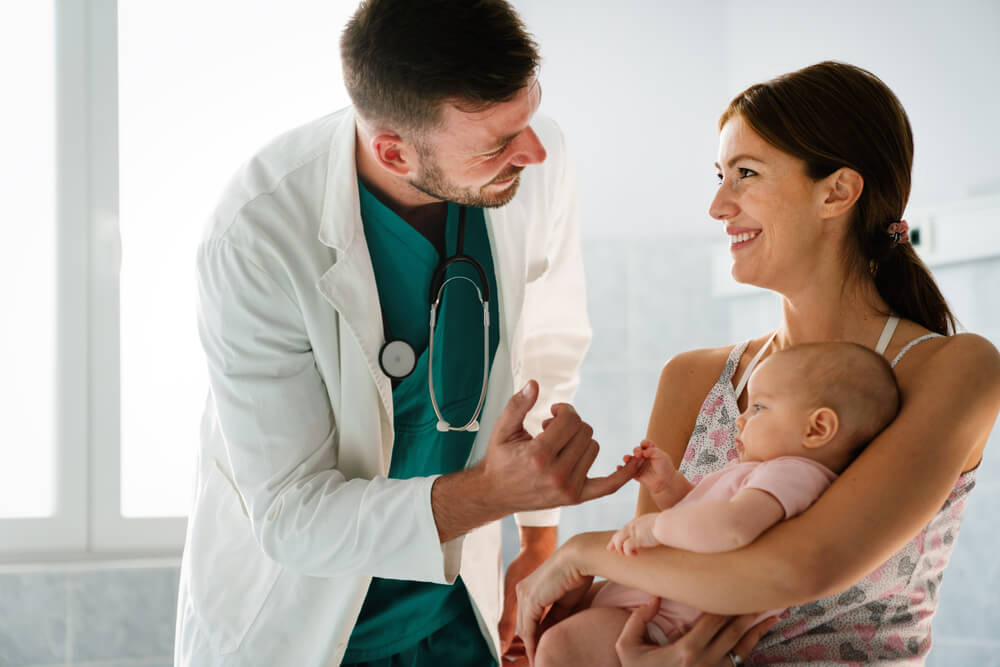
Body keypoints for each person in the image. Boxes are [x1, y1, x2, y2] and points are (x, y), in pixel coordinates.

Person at [173, 2, 639, 666]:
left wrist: (539, 541)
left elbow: (550, 339)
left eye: (529, 115)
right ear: (393, 149)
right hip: (303, 623)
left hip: (450, 614)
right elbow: (291, 515)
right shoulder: (258, 234)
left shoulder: (535, 158)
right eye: (497, 144)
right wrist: (494, 494)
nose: (532, 151)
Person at [516, 61, 1000, 666]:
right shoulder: (694, 379)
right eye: (720, 176)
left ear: (838, 192)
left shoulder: (953, 368)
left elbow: (801, 565)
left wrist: (578, 554)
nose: (719, 205)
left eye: (746, 174)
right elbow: (651, 585)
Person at [533, 342, 901, 666]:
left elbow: (731, 528)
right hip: (646, 616)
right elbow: (706, 519)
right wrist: (669, 487)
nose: (741, 418)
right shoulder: (766, 475)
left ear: (818, 428)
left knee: (557, 649)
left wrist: (654, 527)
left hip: (660, 623)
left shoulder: (795, 473)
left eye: (759, 408)